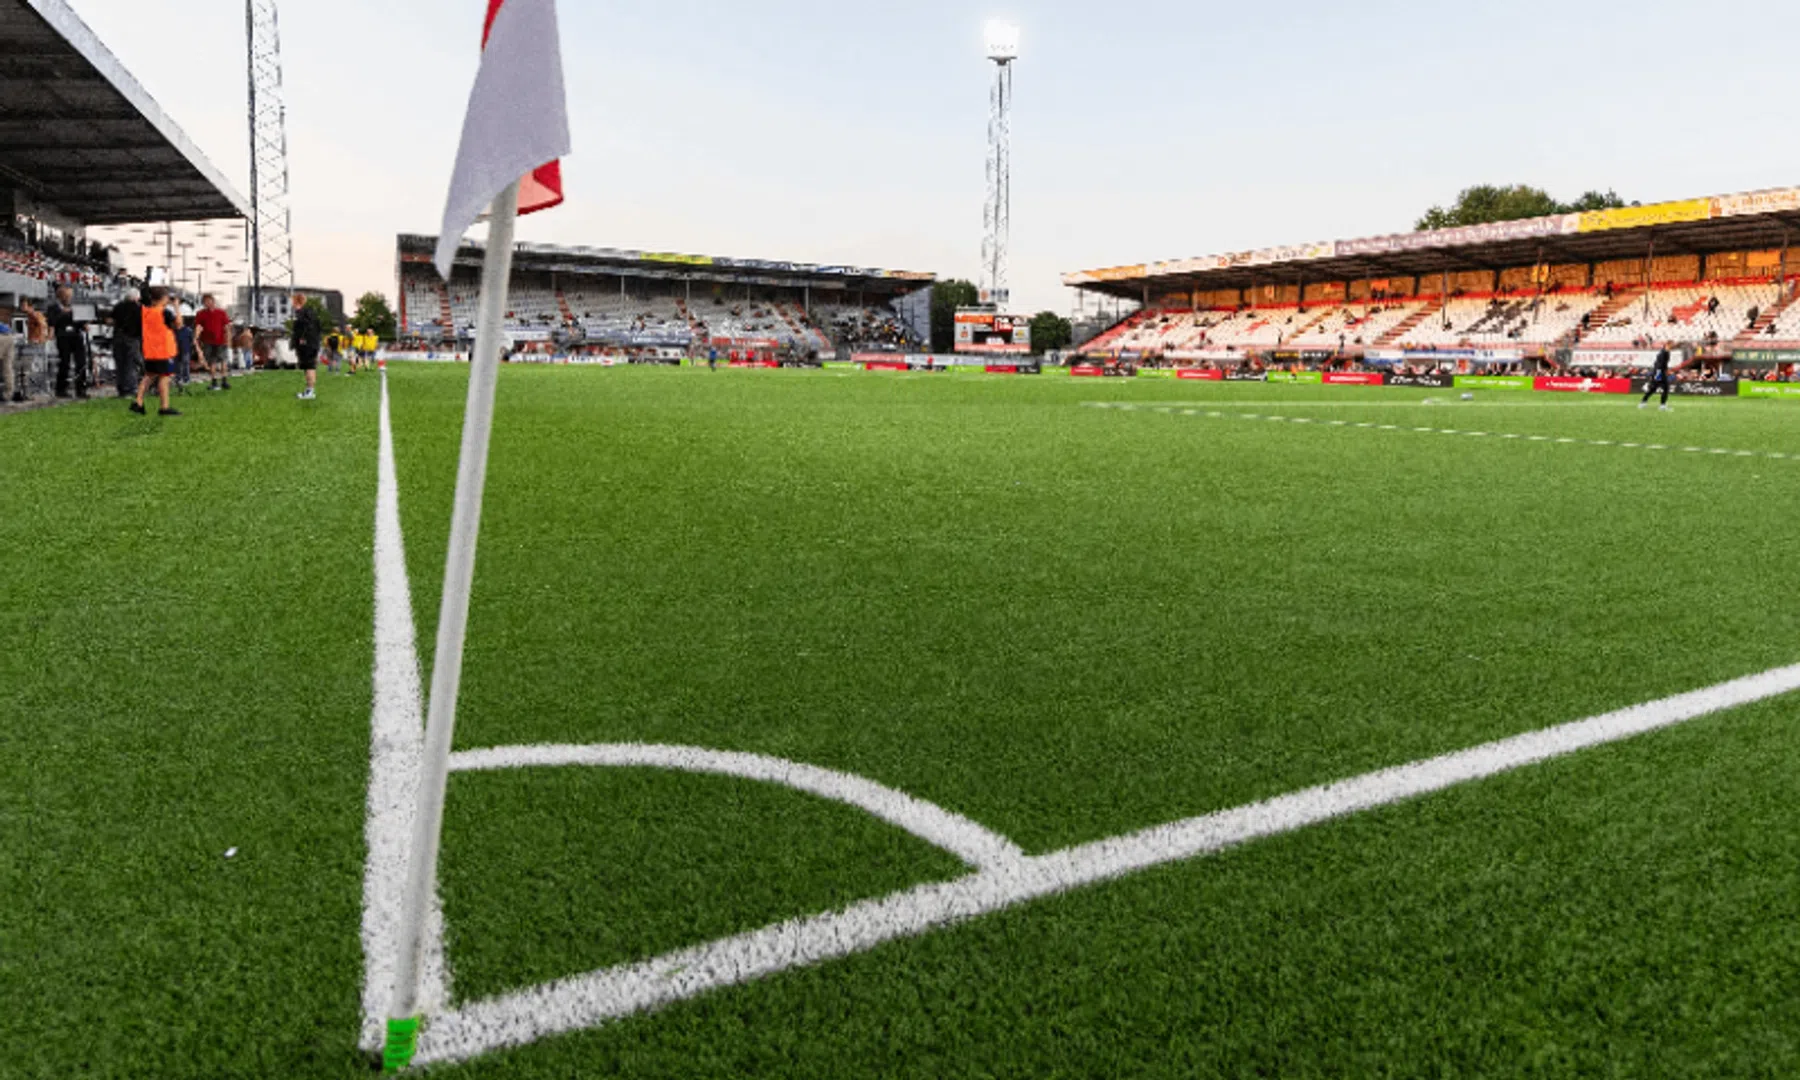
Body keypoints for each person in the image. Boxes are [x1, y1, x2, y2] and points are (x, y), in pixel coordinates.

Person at [131, 286, 181, 417]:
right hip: (164, 350)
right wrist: (176, 307)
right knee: (164, 378)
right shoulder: (164, 312)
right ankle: (164, 407)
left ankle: (138, 401)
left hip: (150, 350)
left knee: (149, 376)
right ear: (163, 298)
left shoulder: (145, 311)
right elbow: (179, 324)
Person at [47, 286, 89, 399]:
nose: (69, 298)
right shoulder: (53, 308)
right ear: (60, 296)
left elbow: (81, 321)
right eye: (66, 296)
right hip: (63, 337)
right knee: (64, 363)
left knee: (81, 362)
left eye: (70, 296)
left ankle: (81, 389)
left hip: (76, 336)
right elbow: (52, 322)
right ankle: (61, 390)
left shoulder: (75, 308)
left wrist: (84, 324)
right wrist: (63, 313)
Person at [195, 294, 233, 391]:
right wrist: (196, 338)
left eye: (209, 301)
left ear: (213, 301)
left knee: (223, 360)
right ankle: (214, 381)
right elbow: (198, 327)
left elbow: (227, 327)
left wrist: (228, 340)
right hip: (208, 341)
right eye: (205, 302)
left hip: (221, 340)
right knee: (212, 361)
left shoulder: (221, 313)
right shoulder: (201, 314)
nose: (207, 303)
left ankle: (224, 380)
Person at [110, 288, 143, 398]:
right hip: (132, 338)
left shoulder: (119, 306)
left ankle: (121, 388)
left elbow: (111, 320)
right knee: (130, 364)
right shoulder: (139, 309)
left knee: (120, 364)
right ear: (136, 297)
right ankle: (130, 388)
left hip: (118, 338)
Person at [291, 292, 322, 400]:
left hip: (307, 344)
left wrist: (303, 339)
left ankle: (310, 392)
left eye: (293, 301)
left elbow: (305, 327)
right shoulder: (309, 312)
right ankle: (309, 391)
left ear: (296, 301)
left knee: (309, 366)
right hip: (312, 343)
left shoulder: (303, 313)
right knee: (308, 366)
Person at [1640, 343, 1674, 411]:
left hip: (1660, 372)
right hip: (1659, 372)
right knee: (1662, 388)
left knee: (1655, 388)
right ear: (1666, 346)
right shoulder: (1663, 353)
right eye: (1670, 346)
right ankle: (1662, 406)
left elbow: (1661, 364)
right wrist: (1659, 374)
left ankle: (1643, 402)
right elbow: (1660, 364)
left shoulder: (1664, 352)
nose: (1671, 348)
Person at [0, 321, 18, 403]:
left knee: (6, 368)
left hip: (1, 337)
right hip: (9, 336)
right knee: (7, 368)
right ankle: (7, 395)